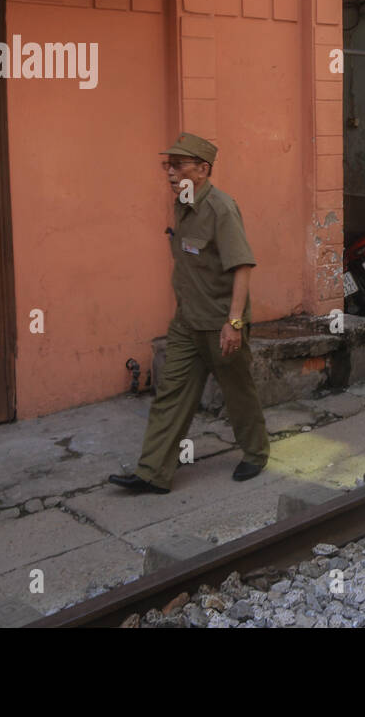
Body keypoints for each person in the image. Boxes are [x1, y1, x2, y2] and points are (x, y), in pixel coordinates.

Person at [110, 133, 270, 494]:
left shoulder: (221, 209)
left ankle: (256, 453)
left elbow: (242, 267)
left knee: (237, 392)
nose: (169, 172)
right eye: (167, 165)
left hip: (219, 323)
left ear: (202, 169)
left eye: (178, 165)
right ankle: (153, 473)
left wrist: (234, 323)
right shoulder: (182, 206)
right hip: (186, 322)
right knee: (171, 393)